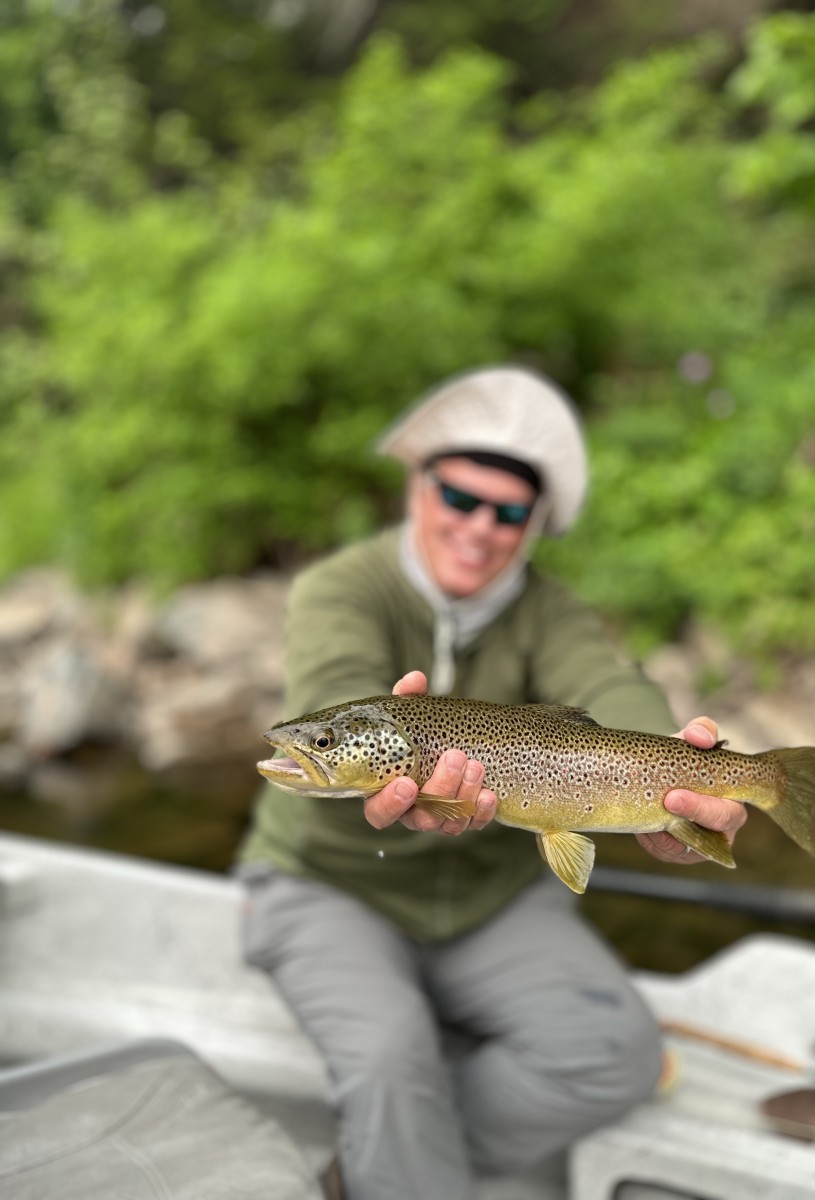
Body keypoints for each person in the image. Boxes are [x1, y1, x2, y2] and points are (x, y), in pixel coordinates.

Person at [236, 366, 747, 1200]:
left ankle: (378, 1172)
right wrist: (361, 736)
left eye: (509, 512)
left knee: (619, 1054)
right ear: (418, 485)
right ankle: (395, 1163)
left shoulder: (551, 612)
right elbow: (335, 681)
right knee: (394, 1059)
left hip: (492, 902)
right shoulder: (344, 587)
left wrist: (683, 766)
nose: (479, 527)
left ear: (535, 523)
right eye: (459, 497)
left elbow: (613, 691)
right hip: (329, 886)